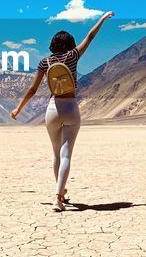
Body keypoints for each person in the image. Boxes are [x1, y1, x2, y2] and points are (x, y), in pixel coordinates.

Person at [11, 11, 114, 211]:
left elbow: (32, 89)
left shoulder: (45, 62)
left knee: (56, 154)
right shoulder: (73, 56)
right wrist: (101, 19)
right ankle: (58, 196)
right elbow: (90, 37)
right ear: (69, 43)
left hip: (52, 109)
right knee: (66, 154)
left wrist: (18, 108)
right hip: (70, 107)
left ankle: (61, 192)